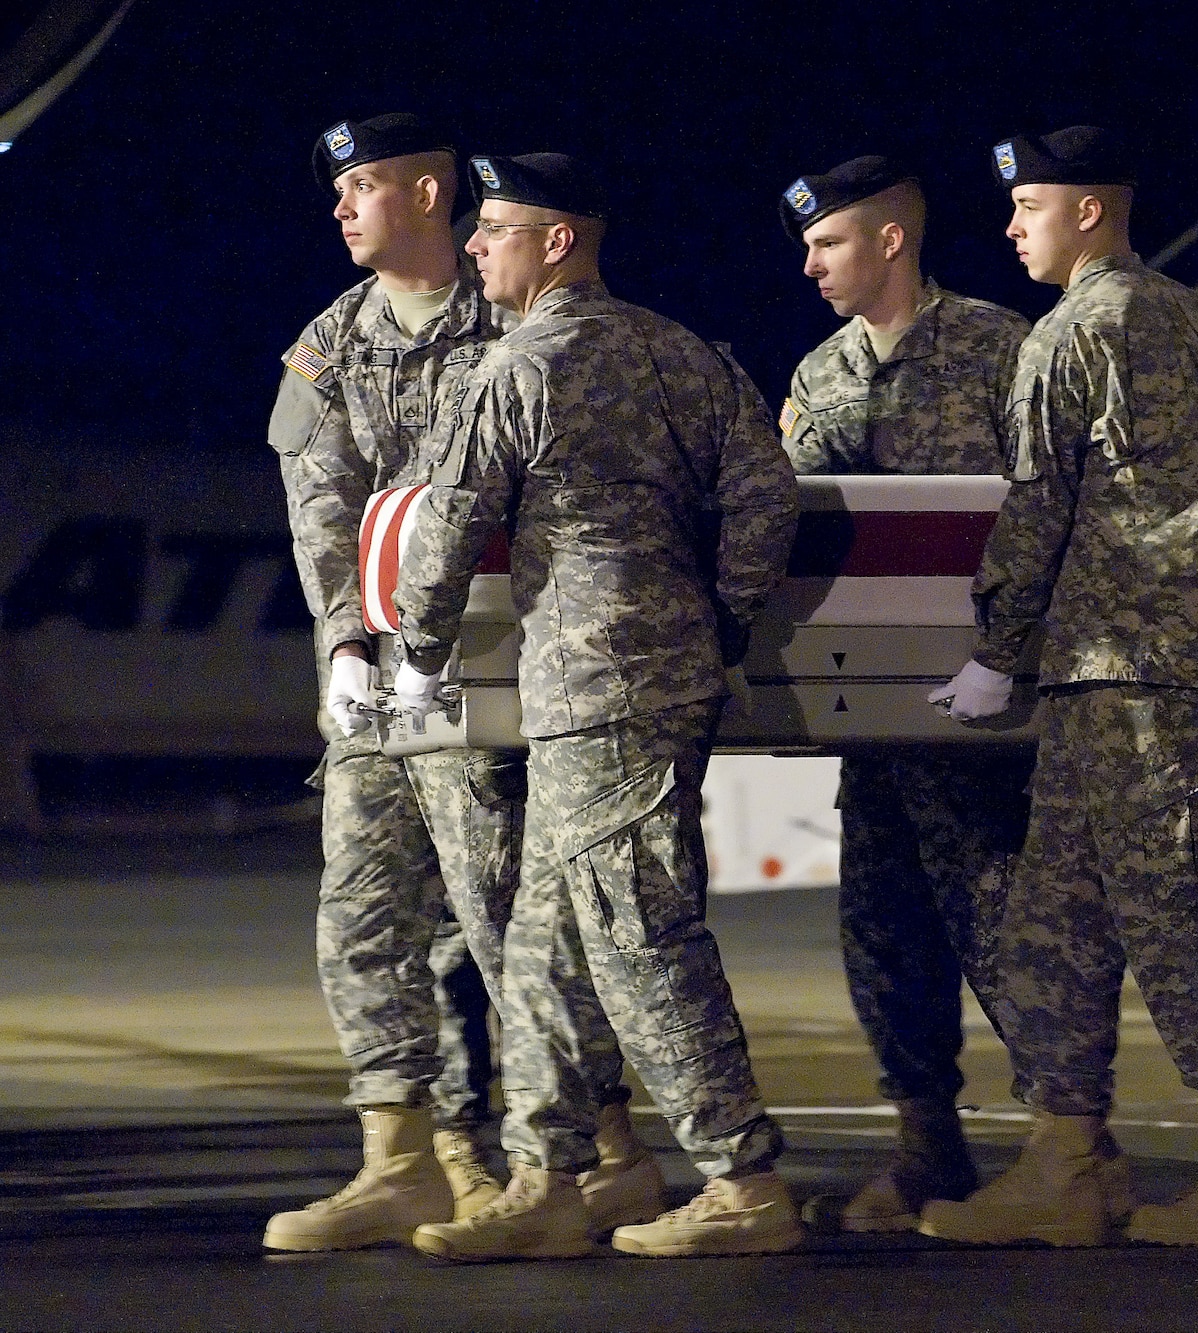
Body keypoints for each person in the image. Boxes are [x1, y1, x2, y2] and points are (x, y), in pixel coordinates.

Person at [390, 152, 803, 1260]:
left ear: (558, 241)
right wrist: (722, 615)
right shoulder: (685, 353)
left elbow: (446, 524)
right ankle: (546, 1179)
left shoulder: (518, 365)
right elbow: (767, 494)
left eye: (495, 229)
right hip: (658, 678)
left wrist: (416, 653)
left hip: (590, 685)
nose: (474, 246)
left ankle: (742, 1178)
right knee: (545, 940)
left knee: (635, 930)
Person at [921, 126, 1198, 1248]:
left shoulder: (1074, 332)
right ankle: (1068, 1161)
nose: (1010, 228)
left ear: (1087, 211)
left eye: (1028, 206)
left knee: (1178, 911)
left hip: (1129, 670)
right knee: (1056, 914)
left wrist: (996, 649)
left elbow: (1038, 504)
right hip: (1135, 670)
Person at [262, 113, 524, 1252]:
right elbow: (319, 508)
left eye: (362, 184)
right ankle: (400, 1159)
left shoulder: (514, 311)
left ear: (428, 193)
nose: (340, 206)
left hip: (506, 670)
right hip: (379, 684)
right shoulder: (331, 341)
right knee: (362, 913)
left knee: (500, 922)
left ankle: (548, 1156)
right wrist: (343, 651)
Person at [777, 155, 1036, 1232]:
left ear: (890, 239)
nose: (809, 265)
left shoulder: (1000, 350)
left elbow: (1044, 510)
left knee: (1009, 928)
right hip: (870, 717)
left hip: (981, 711)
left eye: (827, 243)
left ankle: (1074, 1145)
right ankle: (927, 1147)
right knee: (884, 929)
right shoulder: (819, 373)